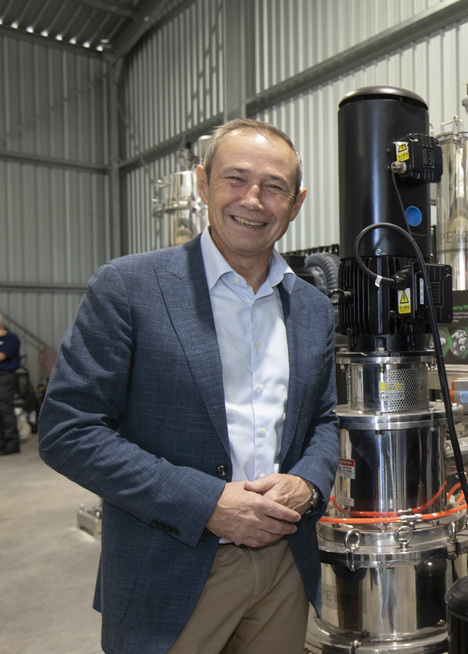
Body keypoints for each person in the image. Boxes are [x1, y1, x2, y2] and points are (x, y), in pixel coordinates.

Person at [38, 118, 339, 654]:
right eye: (235, 179)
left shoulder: (313, 309)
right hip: (170, 567)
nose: (253, 199)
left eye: (274, 187)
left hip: (283, 567)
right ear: (202, 184)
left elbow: (323, 420)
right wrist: (207, 503)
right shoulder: (130, 287)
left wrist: (309, 485)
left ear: (296, 204)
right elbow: (69, 431)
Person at [0, 312, 22, 455]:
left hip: (5, 376)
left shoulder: (10, 338)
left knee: (4, 407)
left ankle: (12, 442)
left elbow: (1, 356)